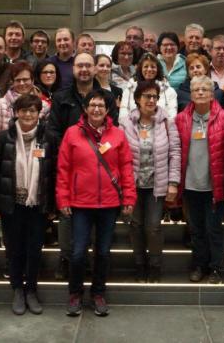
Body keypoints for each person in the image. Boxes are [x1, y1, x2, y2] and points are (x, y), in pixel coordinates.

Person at [57, 89, 137, 317]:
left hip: (109, 204)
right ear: (85, 108)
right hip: (80, 204)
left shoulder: (118, 135)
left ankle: (98, 293)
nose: (96, 109)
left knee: (103, 252)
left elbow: (126, 168)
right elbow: (63, 169)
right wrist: (63, 198)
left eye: (101, 105)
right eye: (92, 105)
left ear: (107, 109)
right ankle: (75, 294)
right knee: (78, 252)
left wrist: (129, 197)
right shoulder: (72, 133)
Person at [46, 52, 120, 281]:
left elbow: (113, 129)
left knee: (98, 222)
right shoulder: (61, 97)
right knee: (67, 217)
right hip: (69, 165)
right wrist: (72, 149)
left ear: (95, 69)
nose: (85, 69)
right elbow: (53, 131)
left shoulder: (108, 97)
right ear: (73, 69)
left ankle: (94, 264)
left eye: (89, 65)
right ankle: (67, 259)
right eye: (80, 65)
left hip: (101, 169)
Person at [0, 94, 55, 316]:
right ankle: (17, 290)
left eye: (32, 110)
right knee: (14, 249)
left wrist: (52, 205)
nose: (28, 114)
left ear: (39, 113)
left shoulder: (49, 138)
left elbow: (53, 173)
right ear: (16, 113)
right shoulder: (4, 137)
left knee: (34, 249)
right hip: (11, 203)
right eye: (24, 110)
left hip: (37, 204)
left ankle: (31, 289)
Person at [119, 80, 181, 283]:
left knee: (153, 227)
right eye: (147, 96)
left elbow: (175, 152)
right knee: (136, 226)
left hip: (157, 184)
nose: (151, 100)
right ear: (137, 98)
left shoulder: (166, 122)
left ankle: (155, 265)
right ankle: (139, 265)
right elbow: (119, 155)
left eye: (155, 96)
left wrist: (173, 182)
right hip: (133, 185)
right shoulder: (126, 123)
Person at [175, 75, 224, 284]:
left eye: (204, 89)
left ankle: (216, 267)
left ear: (212, 94)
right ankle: (200, 265)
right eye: (196, 90)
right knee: (196, 229)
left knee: (214, 229)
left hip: (214, 185)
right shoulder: (181, 119)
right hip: (190, 185)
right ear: (191, 94)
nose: (200, 93)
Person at [0, 61, 52, 145]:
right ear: (12, 82)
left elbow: (48, 138)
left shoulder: (44, 105)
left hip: (35, 150)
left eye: (25, 79)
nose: (22, 83)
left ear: (32, 80)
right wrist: (0, 151)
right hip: (8, 151)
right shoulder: (1, 104)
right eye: (18, 80)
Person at [119, 52, 178, 120]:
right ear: (140, 69)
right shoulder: (129, 89)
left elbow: (172, 117)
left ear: (158, 69)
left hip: (162, 126)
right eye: (146, 66)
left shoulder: (169, 91)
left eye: (153, 67)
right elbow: (123, 116)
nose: (149, 69)